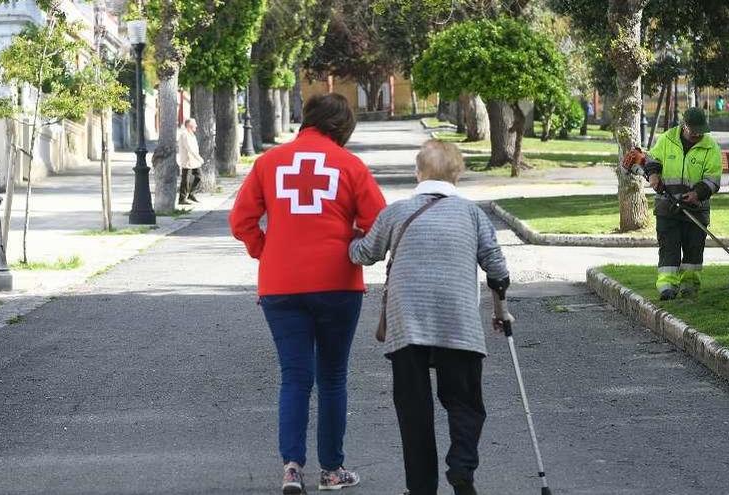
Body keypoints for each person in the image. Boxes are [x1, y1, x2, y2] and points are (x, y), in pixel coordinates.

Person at [229, 93, 386, 494]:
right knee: (332, 378)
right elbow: (379, 225)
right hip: (338, 283)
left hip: (280, 286)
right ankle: (332, 471)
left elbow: (241, 220)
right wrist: (352, 244)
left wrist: (268, 252)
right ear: (342, 127)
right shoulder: (350, 166)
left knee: (295, 378)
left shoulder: (267, 163)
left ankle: (292, 468)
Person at [349, 140, 510, 495]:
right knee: (465, 402)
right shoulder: (472, 214)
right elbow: (497, 269)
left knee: (414, 411)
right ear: (459, 174)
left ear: (418, 172)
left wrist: (349, 237)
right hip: (459, 324)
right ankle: (462, 467)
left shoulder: (396, 212)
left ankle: (421, 488)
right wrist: (501, 312)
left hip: (407, 324)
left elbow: (364, 254)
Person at [630, 107, 722, 300]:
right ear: (684, 125)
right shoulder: (666, 140)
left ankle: (689, 287)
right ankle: (667, 288)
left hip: (696, 208)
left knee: (693, 249)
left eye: (701, 130)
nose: (698, 134)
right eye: (694, 130)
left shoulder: (711, 147)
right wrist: (654, 175)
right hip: (667, 206)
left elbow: (713, 180)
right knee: (668, 248)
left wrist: (697, 193)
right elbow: (652, 160)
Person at [177, 118, 203, 205]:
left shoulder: (192, 134)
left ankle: (191, 194)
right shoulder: (185, 135)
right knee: (185, 180)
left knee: (199, 176)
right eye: (194, 124)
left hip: (194, 161)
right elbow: (190, 148)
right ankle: (182, 199)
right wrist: (199, 158)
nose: (196, 125)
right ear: (189, 125)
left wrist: (197, 158)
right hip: (187, 161)